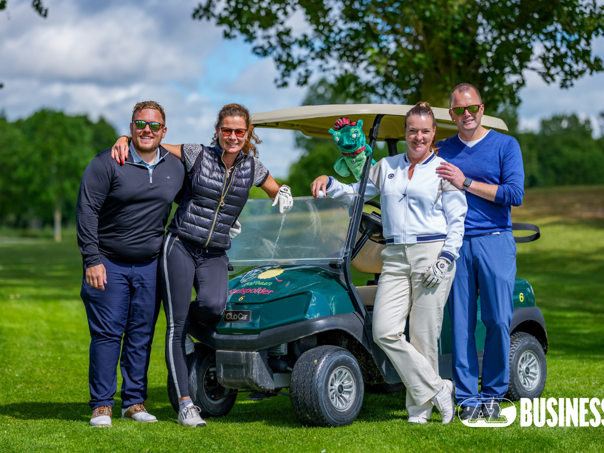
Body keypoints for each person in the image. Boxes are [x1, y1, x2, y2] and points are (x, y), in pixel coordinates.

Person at [111, 103, 293, 428]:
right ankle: (185, 404)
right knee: (176, 327)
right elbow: (153, 144)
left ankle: (185, 328)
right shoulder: (197, 154)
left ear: (247, 134)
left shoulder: (253, 167)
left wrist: (285, 193)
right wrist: (126, 138)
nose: (232, 136)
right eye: (227, 130)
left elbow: (275, 190)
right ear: (218, 131)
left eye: (239, 131)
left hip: (215, 252)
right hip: (180, 244)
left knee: (213, 306)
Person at [311, 103, 467, 424]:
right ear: (406, 132)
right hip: (394, 257)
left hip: (432, 254)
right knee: (384, 330)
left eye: (425, 131)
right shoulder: (386, 166)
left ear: (433, 133)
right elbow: (356, 193)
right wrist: (329, 181)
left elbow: (457, 220)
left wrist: (446, 258)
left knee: (423, 335)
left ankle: (419, 410)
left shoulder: (443, 170)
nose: (418, 137)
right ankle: (439, 388)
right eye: (413, 131)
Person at [77, 101, 185, 427]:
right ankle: (102, 405)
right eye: (140, 124)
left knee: (141, 335)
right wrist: (92, 259)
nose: (147, 130)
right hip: (108, 263)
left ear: (164, 131)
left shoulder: (176, 167)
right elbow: (87, 211)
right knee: (108, 335)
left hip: (152, 266)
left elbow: (202, 195)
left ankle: (134, 403)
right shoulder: (108, 162)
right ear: (131, 127)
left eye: (154, 125)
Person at [436, 83, 524, 420]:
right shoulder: (442, 149)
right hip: (455, 244)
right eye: (459, 110)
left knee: (498, 319)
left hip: (495, 238)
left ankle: (494, 392)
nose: (467, 114)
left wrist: (466, 182)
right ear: (451, 114)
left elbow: (514, 194)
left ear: (481, 109)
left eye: (472, 108)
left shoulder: (505, 145)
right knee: (460, 324)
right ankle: (467, 396)